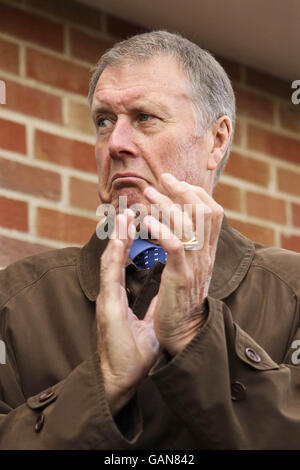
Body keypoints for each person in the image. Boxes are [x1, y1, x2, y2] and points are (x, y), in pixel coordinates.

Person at [0, 30, 300, 450]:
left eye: (144, 118)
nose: (116, 143)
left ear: (216, 140)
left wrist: (197, 336)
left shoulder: (292, 292)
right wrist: (101, 385)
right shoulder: (15, 300)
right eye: (104, 121)